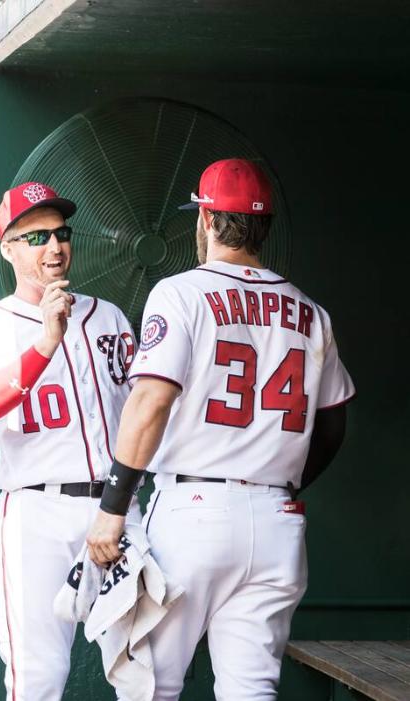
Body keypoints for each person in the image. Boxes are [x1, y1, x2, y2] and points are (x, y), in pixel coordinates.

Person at [86, 158, 356, 700]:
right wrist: (281, 485)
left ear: (207, 220)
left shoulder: (180, 292)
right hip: (277, 521)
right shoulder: (312, 312)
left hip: (194, 512)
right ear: (264, 228)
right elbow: (332, 425)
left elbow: (149, 403)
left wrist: (112, 507)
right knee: (251, 691)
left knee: (150, 687)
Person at [0, 181, 140, 700]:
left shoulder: (107, 316)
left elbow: (143, 413)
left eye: (60, 233)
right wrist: (44, 343)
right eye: (35, 237)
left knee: (144, 669)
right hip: (37, 512)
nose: (54, 247)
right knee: (37, 679)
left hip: (115, 508)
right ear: (8, 247)